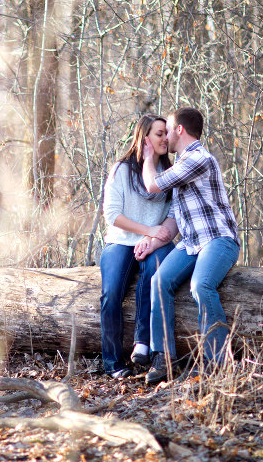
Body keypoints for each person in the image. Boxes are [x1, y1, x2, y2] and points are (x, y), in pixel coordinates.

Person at [137, 107, 240, 384]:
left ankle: (217, 362)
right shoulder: (183, 162)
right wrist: (152, 239)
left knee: (200, 285)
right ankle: (163, 358)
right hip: (192, 244)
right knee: (159, 281)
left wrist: (148, 157)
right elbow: (174, 218)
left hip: (219, 240)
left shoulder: (198, 159)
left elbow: (152, 185)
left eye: (168, 129)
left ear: (179, 130)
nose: (166, 135)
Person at [100, 114, 176, 379]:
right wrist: (147, 230)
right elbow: (112, 215)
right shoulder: (122, 169)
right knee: (111, 295)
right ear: (145, 138)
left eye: (166, 133)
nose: (165, 138)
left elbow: (173, 214)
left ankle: (142, 345)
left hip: (156, 242)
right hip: (121, 239)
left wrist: (154, 238)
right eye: (159, 134)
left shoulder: (169, 174)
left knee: (154, 275)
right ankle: (112, 363)